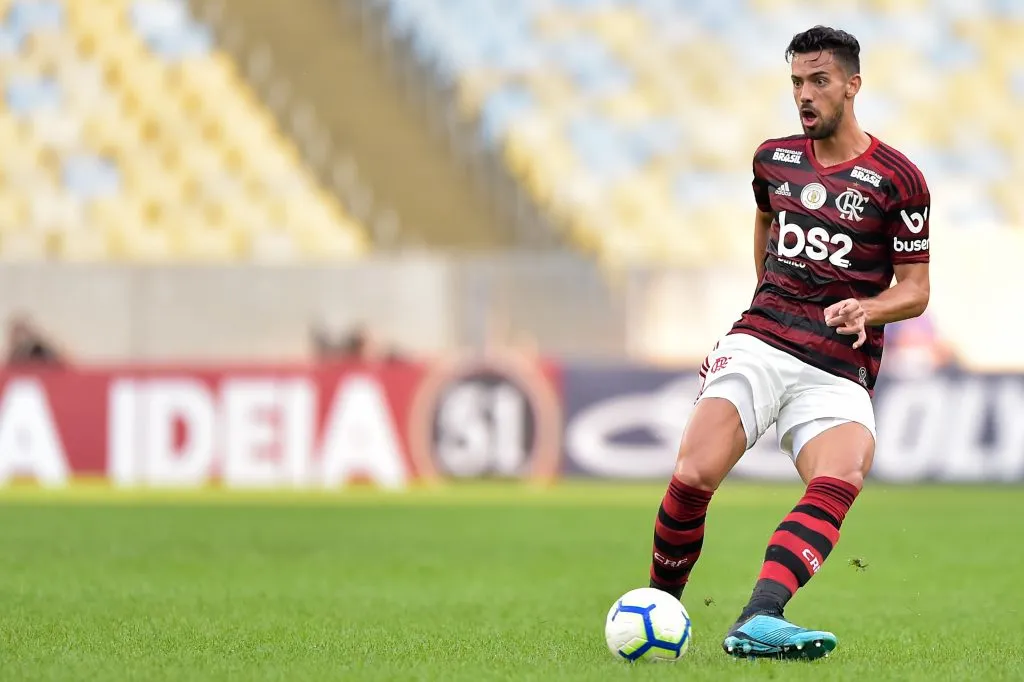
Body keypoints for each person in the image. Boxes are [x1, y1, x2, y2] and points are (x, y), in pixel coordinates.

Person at [647, 26, 931, 660]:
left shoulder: (898, 180)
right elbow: (765, 221)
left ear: (853, 85)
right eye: (797, 83)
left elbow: (915, 289)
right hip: (764, 341)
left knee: (844, 471)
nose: (805, 95)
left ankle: (758, 617)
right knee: (693, 474)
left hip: (838, 364)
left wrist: (871, 306)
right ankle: (657, 611)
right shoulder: (772, 158)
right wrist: (766, 296)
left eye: (819, 81)